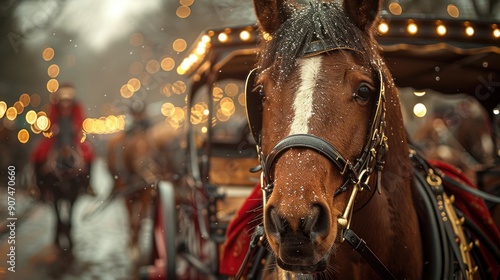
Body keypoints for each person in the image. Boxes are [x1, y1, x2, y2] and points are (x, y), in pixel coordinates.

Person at [31, 83, 94, 189]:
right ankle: (36, 185)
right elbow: (50, 121)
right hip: (56, 138)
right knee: (39, 152)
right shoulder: (54, 106)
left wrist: (75, 128)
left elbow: (80, 120)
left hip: (73, 138)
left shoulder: (77, 106)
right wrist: (54, 128)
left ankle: (88, 185)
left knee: (89, 154)